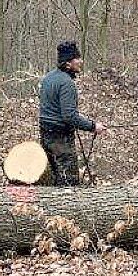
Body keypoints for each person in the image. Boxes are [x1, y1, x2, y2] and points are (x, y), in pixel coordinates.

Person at [38, 40, 106, 186]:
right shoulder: (67, 83)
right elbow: (69, 116)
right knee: (68, 180)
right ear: (68, 63)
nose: (80, 62)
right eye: (77, 58)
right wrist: (93, 126)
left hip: (45, 134)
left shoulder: (48, 78)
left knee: (52, 178)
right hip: (60, 139)